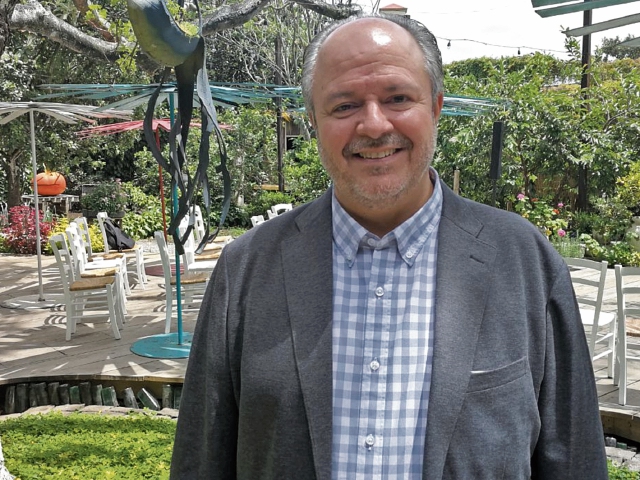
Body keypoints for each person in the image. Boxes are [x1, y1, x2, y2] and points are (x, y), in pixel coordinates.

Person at [170, 13, 607, 479]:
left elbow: (574, 458)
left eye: (398, 98)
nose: (374, 125)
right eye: (344, 106)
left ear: (436, 107)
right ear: (313, 122)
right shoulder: (247, 270)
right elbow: (201, 460)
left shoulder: (522, 261)